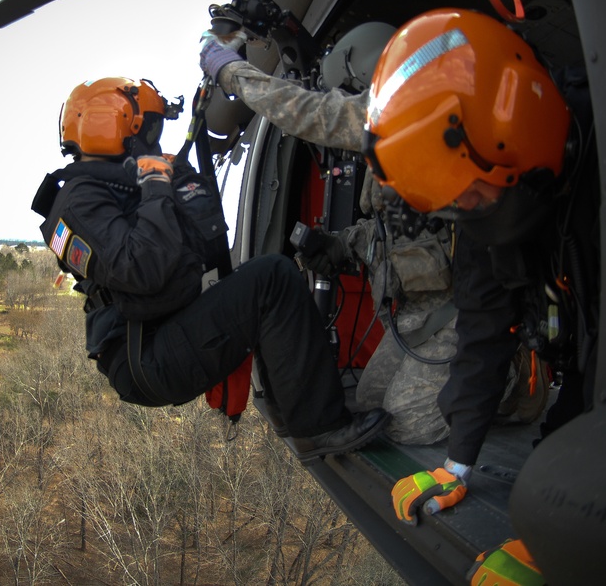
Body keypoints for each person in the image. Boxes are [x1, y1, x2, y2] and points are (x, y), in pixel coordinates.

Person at [199, 22, 550, 446]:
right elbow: (393, 229)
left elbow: (302, 111)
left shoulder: (414, 121)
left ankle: (512, 376)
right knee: (368, 407)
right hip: (411, 315)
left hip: (458, 314)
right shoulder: (390, 151)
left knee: (404, 425)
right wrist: (341, 243)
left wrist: (229, 70)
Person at [30, 76, 389, 465]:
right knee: (273, 279)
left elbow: (204, 245)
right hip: (143, 356)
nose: (155, 140)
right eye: (149, 128)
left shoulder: (121, 186)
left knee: (266, 278)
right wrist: (154, 187)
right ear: (113, 126)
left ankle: (296, 417)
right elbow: (143, 270)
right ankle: (318, 429)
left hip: (166, 330)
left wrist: (177, 183)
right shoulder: (77, 203)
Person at [359, 9, 597, 559]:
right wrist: (457, 463)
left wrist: (561, 535)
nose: (463, 208)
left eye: (467, 193)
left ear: (515, 137)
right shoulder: (484, 211)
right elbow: (485, 326)